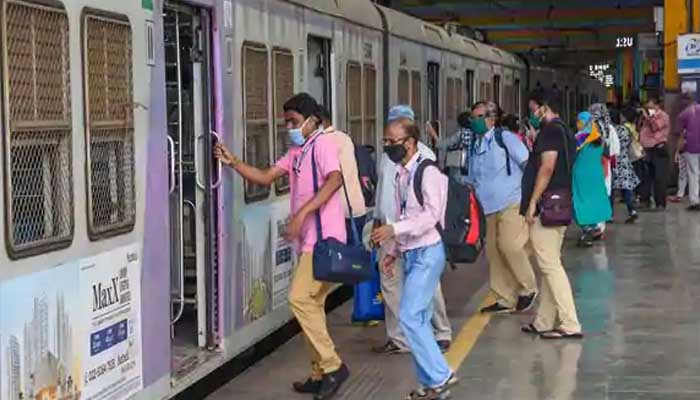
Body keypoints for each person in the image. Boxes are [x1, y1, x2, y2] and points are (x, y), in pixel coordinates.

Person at [214, 93, 349, 399]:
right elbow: (264, 177)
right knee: (311, 306)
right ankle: (318, 372)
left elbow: (335, 180)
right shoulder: (297, 152)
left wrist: (302, 212)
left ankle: (332, 365)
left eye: (294, 121)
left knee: (299, 300)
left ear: (312, 120)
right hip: (310, 243)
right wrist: (233, 161)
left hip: (324, 240)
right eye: (286, 121)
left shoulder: (323, 144)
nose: (289, 126)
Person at [371, 117, 458, 400]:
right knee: (417, 317)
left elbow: (431, 216)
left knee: (409, 316)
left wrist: (393, 230)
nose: (386, 146)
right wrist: (394, 250)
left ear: (409, 142)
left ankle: (442, 375)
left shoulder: (428, 172)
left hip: (428, 253)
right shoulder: (400, 173)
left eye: (391, 141)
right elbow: (405, 215)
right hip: (410, 253)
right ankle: (429, 383)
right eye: (384, 141)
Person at [461, 103, 537, 314]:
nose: (474, 121)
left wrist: (532, 196)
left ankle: (528, 288)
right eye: (472, 117)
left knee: (509, 245)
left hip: (511, 201)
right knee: (493, 252)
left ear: (491, 119)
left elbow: (526, 163)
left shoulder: (505, 139)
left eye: (479, 117)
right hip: (486, 207)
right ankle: (504, 297)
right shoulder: (473, 146)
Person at [520, 91, 583, 339]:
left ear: (543, 108)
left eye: (533, 109)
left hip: (547, 206)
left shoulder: (550, 132)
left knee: (550, 266)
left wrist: (533, 202)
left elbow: (546, 168)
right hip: (561, 203)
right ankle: (544, 321)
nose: (532, 114)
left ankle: (570, 322)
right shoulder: (566, 131)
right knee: (550, 264)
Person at [319, 109, 369, 241]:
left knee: (336, 258)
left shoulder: (322, 142)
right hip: (356, 207)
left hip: (337, 213)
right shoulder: (345, 137)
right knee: (353, 257)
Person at [572, 111, 612, 247]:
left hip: (580, 175)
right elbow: (606, 156)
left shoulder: (578, 139)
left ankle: (587, 229)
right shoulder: (599, 138)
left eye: (579, 122)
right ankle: (595, 227)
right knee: (593, 201)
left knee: (579, 201)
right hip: (596, 174)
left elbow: (570, 155)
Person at [428, 103, 486, 184]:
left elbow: (441, 145)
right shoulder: (480, 135)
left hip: (459, 172)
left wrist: (433, 133)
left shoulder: (460, 134)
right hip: (474, 173)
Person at [639, 97, 671, 211]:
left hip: (659, 148)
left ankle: (660, 203)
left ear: (657, 105)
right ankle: (645, 200)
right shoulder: (646, 117)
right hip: (647, 149)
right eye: (647, 107)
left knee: (659, 177)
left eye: (651, 106)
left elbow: (655, 127)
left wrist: (648, 117)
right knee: (647, 177)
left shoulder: (663, 116)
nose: (649, 108)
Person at [611, 108, 641, 222]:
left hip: (614, 161)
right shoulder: (625, 129)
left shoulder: (611, 131)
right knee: (626, 188)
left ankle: (610, 214)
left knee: (611, 189)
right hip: (625, 160)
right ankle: (632, 210)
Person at [676, 93, 700, 211]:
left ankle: (695, 201)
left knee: (693, 173)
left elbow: (681, 134)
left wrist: (678, 150)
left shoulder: (683, 115)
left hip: (691, 147)